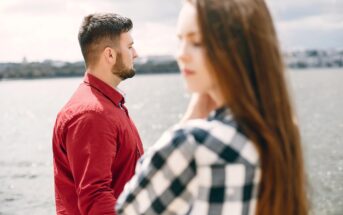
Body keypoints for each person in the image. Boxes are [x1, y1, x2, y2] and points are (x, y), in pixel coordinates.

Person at [115, 0, 308, 214]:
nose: (181, 54)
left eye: (196, 42)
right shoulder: (278, 134)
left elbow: (127, 209)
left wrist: (191, 118)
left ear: (236, 48)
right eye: (181, 41)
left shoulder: (192, 144)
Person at [52, 13, 143, 215]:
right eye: (129, 46)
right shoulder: (92, 114)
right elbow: (96, 198)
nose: (135, 53)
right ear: (110, 55)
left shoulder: (107, 104)